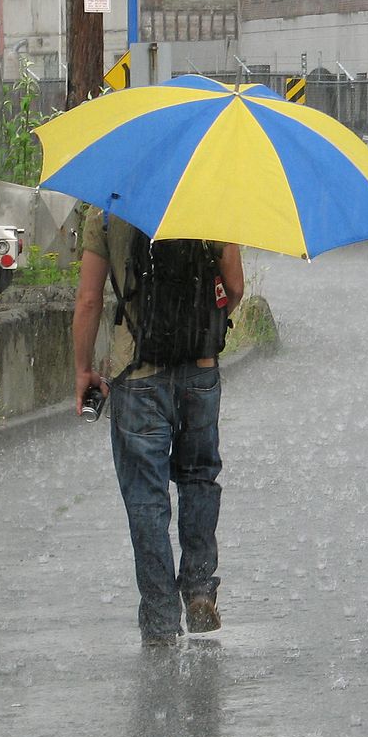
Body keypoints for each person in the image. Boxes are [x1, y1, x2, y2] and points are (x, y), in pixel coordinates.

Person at [73, 211, 244, 647]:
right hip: (200, 369)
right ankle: (200, 587)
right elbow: (236, 287)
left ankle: (160, 619)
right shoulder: (208, 202)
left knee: (147, 500)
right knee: (199, 478)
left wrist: (83, 370)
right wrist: (200, 324)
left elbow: (89, 300)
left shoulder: (106, 212)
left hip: (138, 372)